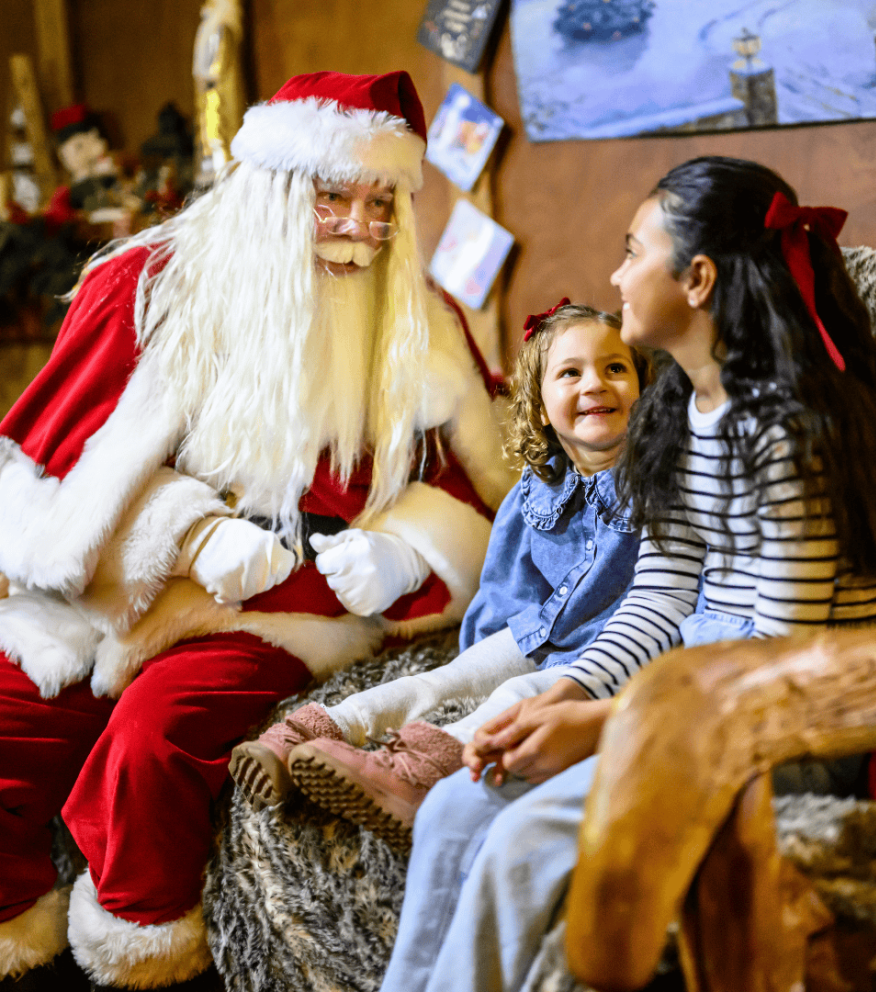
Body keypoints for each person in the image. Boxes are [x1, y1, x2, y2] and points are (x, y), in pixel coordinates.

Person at [374, 155, 876, 992]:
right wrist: (565, 694)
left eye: (633, 250)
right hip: (694, 698)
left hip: (785, 729)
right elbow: (664, 590)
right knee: (459, 804)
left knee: (520, 846)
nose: (615, 274)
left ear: (699, 279)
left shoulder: (786, 435)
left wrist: (609, 726)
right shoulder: (679, 408)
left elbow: (777, 662)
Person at [0, 71, 514, 991]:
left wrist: (405, 550)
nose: (362, 231)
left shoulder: (422, 331)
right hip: (113, 592)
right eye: (333, 198)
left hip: (281, 607)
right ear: (276, 189)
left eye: (381, 202)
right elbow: (47, 483)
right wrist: (187, 534)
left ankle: (142, 953)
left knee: (154, 741)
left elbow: (491, 497)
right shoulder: (144, 289)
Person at [229, 301, 652, 845]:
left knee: (516, 693)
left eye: (615, 368)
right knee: (441, 680)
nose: (595, 383)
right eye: (570, 372)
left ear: (644, 392)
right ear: (542, 408)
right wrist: (477, 657)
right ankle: (316, 734)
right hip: (540, 632)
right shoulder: (536, 489)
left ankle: (416, 775)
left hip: (614, 658)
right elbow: (506, 584)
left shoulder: (659, 478)